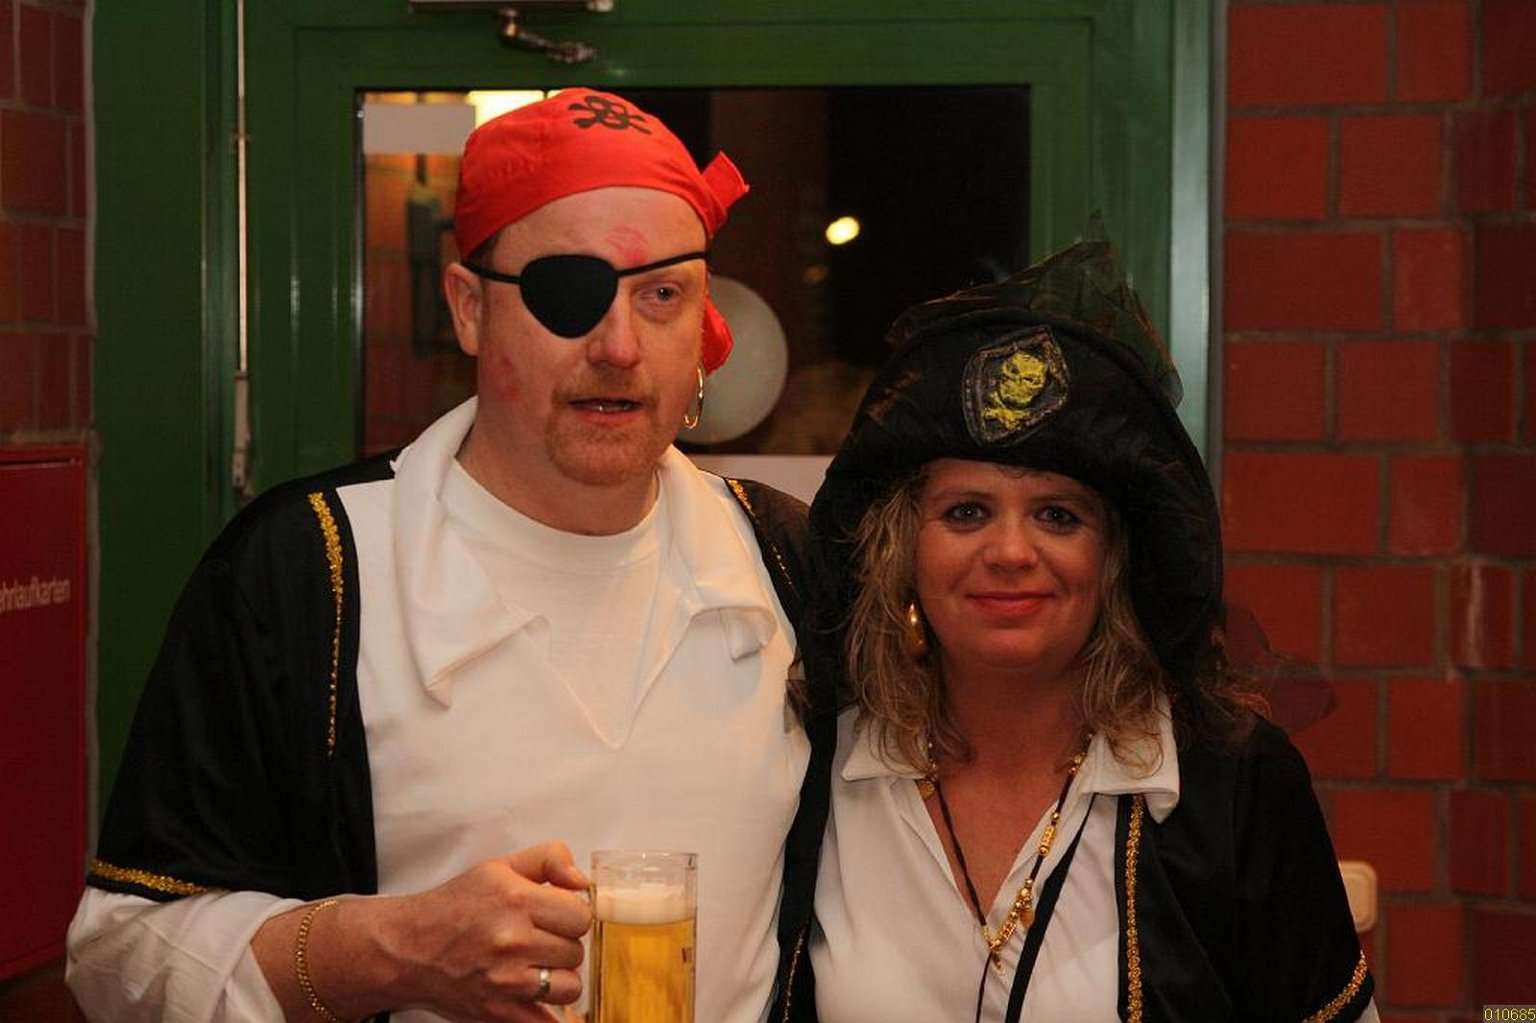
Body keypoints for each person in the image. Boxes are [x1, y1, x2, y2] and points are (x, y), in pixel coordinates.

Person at [67, 89, 834, 1023]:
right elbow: (117, 959)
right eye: (566, 292)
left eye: (661, 296)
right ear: (470, 308)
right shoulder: (313, 570)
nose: (620, 345)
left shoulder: (783, 563)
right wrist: (391, 950)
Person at [801, 241, 1377, 1022]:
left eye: (1057, 515)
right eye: (966, 511)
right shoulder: (819, 771)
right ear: (900, 551)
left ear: (1112, 561)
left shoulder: (1231, 787)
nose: (1011, 551)